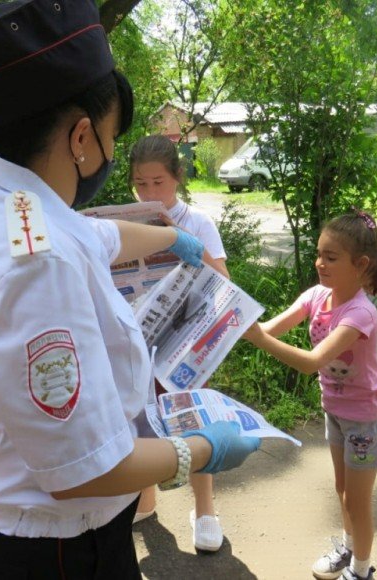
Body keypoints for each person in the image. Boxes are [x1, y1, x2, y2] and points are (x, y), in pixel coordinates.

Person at [0, 2, 259, 578]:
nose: (112, 154)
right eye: (112, 136)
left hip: (27, 534)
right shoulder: (38, 265)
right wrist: (203, 448)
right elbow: (83, 471)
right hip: (59, 552)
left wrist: (168, 241)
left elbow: (94, 234)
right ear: (80, 136)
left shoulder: (11, 203)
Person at [243, 210, 377, 580]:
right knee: (343, 490)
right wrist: (239, 322)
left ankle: (361, 570)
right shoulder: (317, 295)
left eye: (331, 257)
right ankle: (348, 550)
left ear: (360, 265)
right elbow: (269, 328)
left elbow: (312, 362)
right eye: (319, 254)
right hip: (336, 412)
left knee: (357, 502)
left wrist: (258, 338)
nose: (319, 263)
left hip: (365, 420)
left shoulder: (360, 313)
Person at [129, 134, 229, 551]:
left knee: (192, 420)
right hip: (138, 338)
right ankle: (145, 496)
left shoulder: (198, 222)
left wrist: (175, 238)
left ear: (177, 178)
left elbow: (225, 283)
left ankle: (204, 508)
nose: (151, 193)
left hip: (187, 342)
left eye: (159, 182)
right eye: (141, 184)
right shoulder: (126, 221)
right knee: (138, 417)